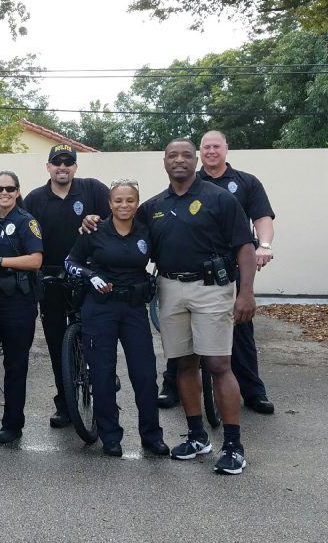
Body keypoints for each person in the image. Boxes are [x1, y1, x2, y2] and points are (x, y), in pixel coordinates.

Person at [83, 138, 256, 474]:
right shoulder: (152, 206)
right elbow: (119, 224)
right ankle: (196, 436)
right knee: (184, 364)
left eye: (186, 155)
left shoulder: (219, 199)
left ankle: (233, 446)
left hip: (211, 288)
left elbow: (245, 248)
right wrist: (91, 220)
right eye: (172, 155)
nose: (179, 160)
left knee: (219, 364)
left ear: (196, 161)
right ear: (164, 161)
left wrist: (245, 293)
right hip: (169, 288)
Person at [158, 131, 276, 415]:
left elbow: (262, 217)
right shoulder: (186, 181)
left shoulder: (246, 182)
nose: (211, 151)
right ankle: (171, 387)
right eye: (206, 147)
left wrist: (265, 245)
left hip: (229, 268)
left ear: (226, 149)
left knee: (240, 331)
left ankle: (253, 391)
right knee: (183, 341)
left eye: (216, 146)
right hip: (186, 276)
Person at [64, 179, 168, 457]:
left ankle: (151, 436)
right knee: (102, 374)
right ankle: (110, 436)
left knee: (145, 374)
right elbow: (70, 262)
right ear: (109, 204)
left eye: (130, 200)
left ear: (137, 203)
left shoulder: (146, 231)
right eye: (118, 201)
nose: (124, 205)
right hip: (100, 308)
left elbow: (164, 257)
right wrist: (91, 276)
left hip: (134, 309)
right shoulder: (94, 230)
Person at [24, 143, 109, 428]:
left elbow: (120, 219)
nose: (62, 167)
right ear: (48, 167)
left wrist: (100, 220)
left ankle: (104, 393)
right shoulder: (35, 198)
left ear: (75, 166)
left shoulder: (93, 190)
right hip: (50, 280)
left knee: (96, 337)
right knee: (57, 343)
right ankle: (65, 402)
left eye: (68, 163)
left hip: (88, 277)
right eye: (57, 162)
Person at [0, 171, 43, 443]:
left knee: (16, 366)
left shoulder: (27, 222)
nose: (4, 193)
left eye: (9, 189)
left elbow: (36, 260)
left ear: (17, 191)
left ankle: (12, 425)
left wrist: (1, 261)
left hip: (18, 303)